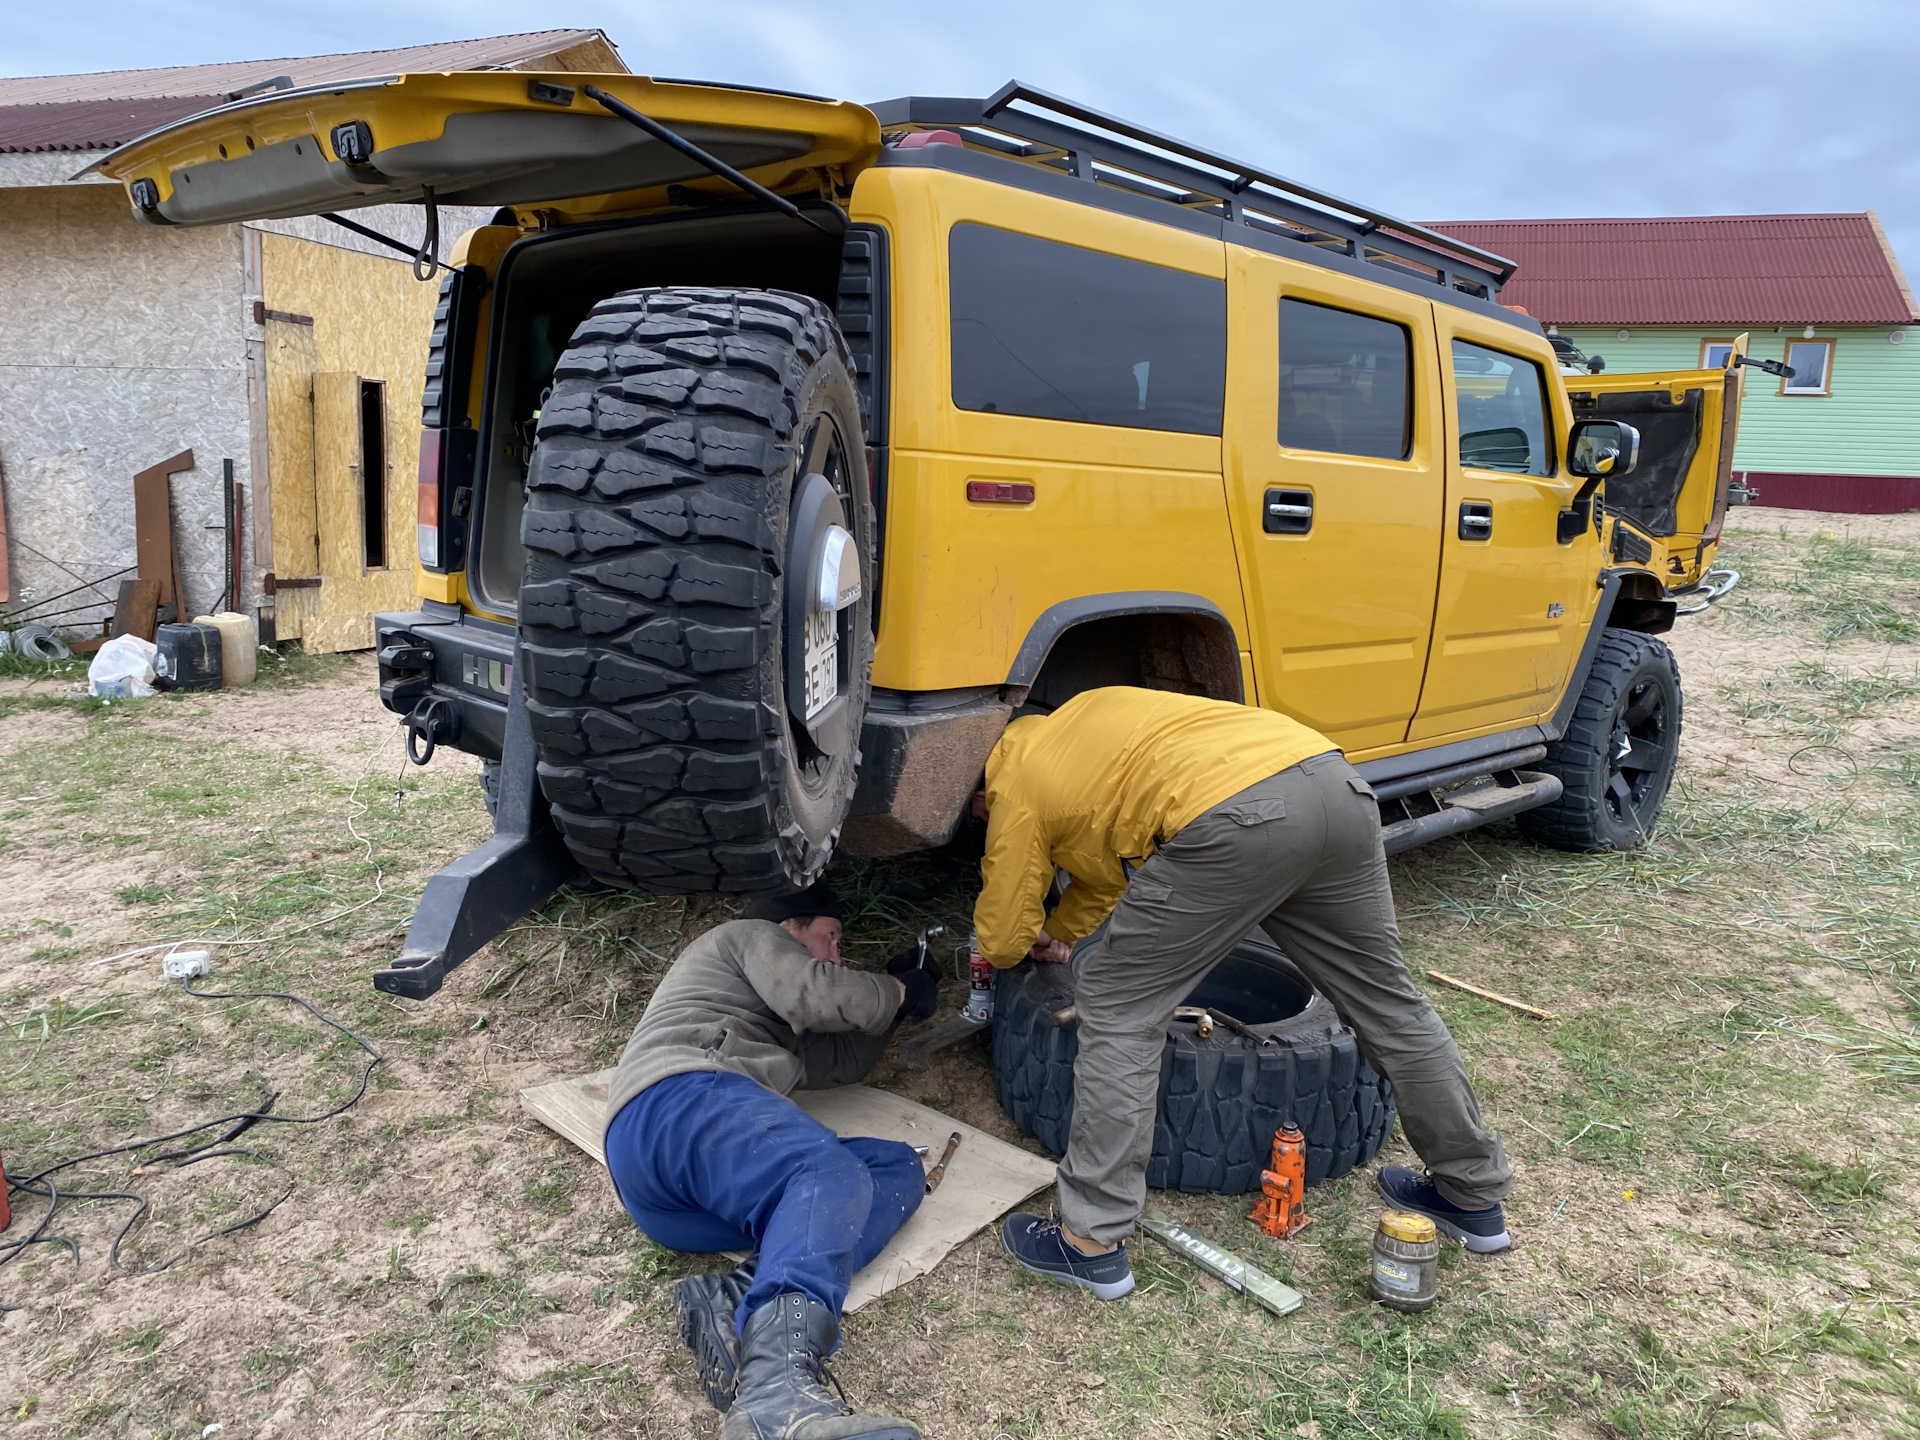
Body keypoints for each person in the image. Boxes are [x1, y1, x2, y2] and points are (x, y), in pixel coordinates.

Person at [976, 687, 1513, 1301]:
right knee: (1389, 1003)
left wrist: (1019, 947)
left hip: (1236, 818)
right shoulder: (1086, 727)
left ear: (981, 786)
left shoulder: (1013, 778)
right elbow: (1107, 876)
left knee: (1119, 1007)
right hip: (1333, 785)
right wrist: (1063, 935)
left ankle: (1089, 1241)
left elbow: (1001, 928)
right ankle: (1471, 1194)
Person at [602, 881, 939, 1439]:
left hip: (671, 1191)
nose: (837, 956)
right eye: (831, 938)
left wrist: (896, 1008)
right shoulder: (747, 936)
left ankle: (738, 1294)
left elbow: (840, 1060)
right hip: (680, 1098)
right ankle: (776, 1395)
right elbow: (814, 990)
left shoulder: (770, 1017)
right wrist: (896, 990)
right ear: (791, 928)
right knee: (825, 1169)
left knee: (894, 1168)